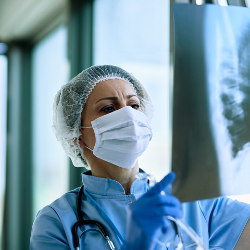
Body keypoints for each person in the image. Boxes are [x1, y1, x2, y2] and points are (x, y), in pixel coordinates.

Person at [30, 65, 250, 249]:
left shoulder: (191, 201)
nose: (128, 115)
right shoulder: (57, 221)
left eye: (134, 105)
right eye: (108, 108)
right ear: (76, 135)